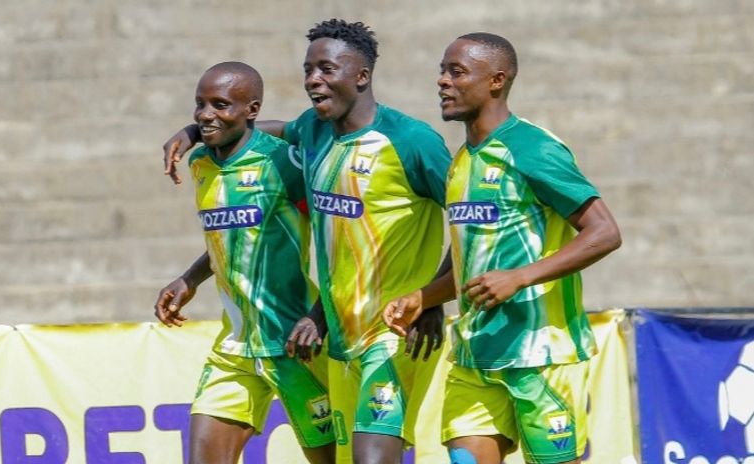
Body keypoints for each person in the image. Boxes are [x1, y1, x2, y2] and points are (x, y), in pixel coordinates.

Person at [162, 19, 452, 464]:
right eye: (308, 70)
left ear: (361, 76)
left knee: (371, 458)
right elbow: (262, 133)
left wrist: (433, 298)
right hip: (332, 334)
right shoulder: (312, 133)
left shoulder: (411, 141)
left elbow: (470, 222)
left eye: (327, 69)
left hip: (394, 329)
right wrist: (195, 130)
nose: (313, 80)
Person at [382, 33, 622, 464]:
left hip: (542, 356)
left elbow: (604, 232)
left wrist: (521, 277)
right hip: (475, 355)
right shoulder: (462, 161)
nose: (442, 81)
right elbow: (474, 263)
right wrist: (422, 298)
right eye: (442, 70)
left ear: (496, 80)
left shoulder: (532, 147)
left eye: (456, 72)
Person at [153, 61, 335, 464]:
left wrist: (320, 316)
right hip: (235, 346)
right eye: (199, 104)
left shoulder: (284, 163)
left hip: (295, 343)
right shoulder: (201, 164)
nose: (204, 115)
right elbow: (234, 235)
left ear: (251, 110)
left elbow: (337, 239)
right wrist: (190, 279)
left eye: (220, 104)